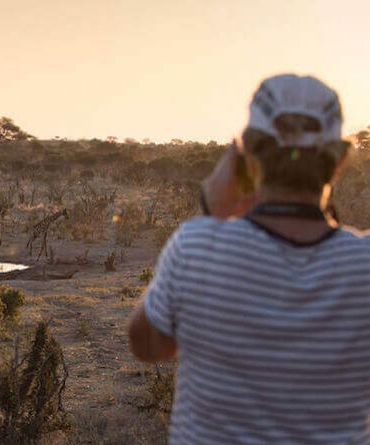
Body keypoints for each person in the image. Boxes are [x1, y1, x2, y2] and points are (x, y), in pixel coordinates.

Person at [127, 73, 370, 444]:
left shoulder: (198, 246)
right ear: (338, 163)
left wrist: (213, 214)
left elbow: (148, 346)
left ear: (248, 158)